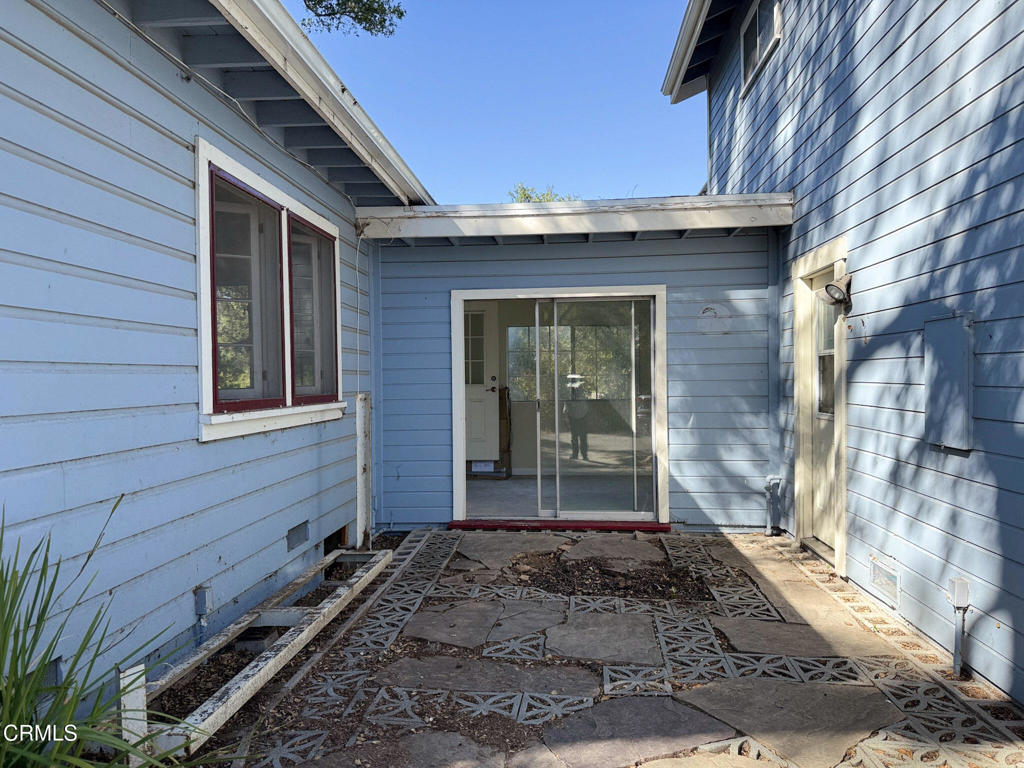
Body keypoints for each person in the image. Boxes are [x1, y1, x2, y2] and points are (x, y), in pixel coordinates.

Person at [564, 375, 590, 461]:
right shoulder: (571, 391)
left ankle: (582, 455)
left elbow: (567, 405)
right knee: (577, 436)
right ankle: (580, 455)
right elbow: (566, 404)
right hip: (576, 415)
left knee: (579, 436)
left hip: (580, 415)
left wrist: (566, 414)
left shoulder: (579, 391)